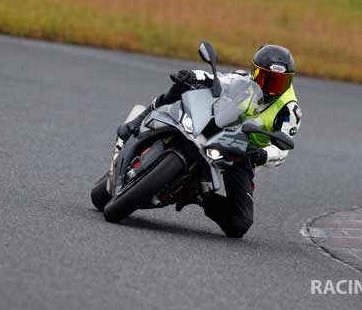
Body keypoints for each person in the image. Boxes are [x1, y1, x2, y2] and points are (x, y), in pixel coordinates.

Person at [117, 45, 302, 238]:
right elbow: (216, 78)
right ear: (254, 72)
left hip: (244, 152)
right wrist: (192, 75)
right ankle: (138, 121)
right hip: (216, 125)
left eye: (279, 82)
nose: (272, 87)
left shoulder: (289, 109)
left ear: (289, 81)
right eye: (266, 78)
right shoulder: (243, 80)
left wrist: (262, 155)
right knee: (182, 86)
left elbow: (282, 150)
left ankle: (198, 195)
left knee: (240, 223)